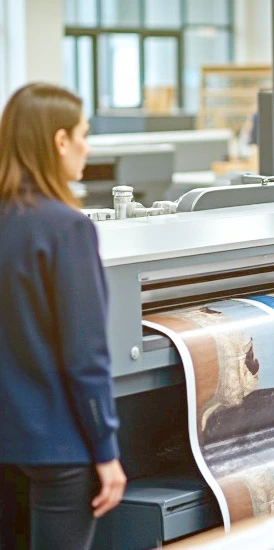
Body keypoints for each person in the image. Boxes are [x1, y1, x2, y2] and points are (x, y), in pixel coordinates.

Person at [0, 83, 126, 550]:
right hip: (56, 447)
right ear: (59, 141)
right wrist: (106, 451)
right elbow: (85, 357)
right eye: (83, 134)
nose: (86, 147)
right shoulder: (67, 228)